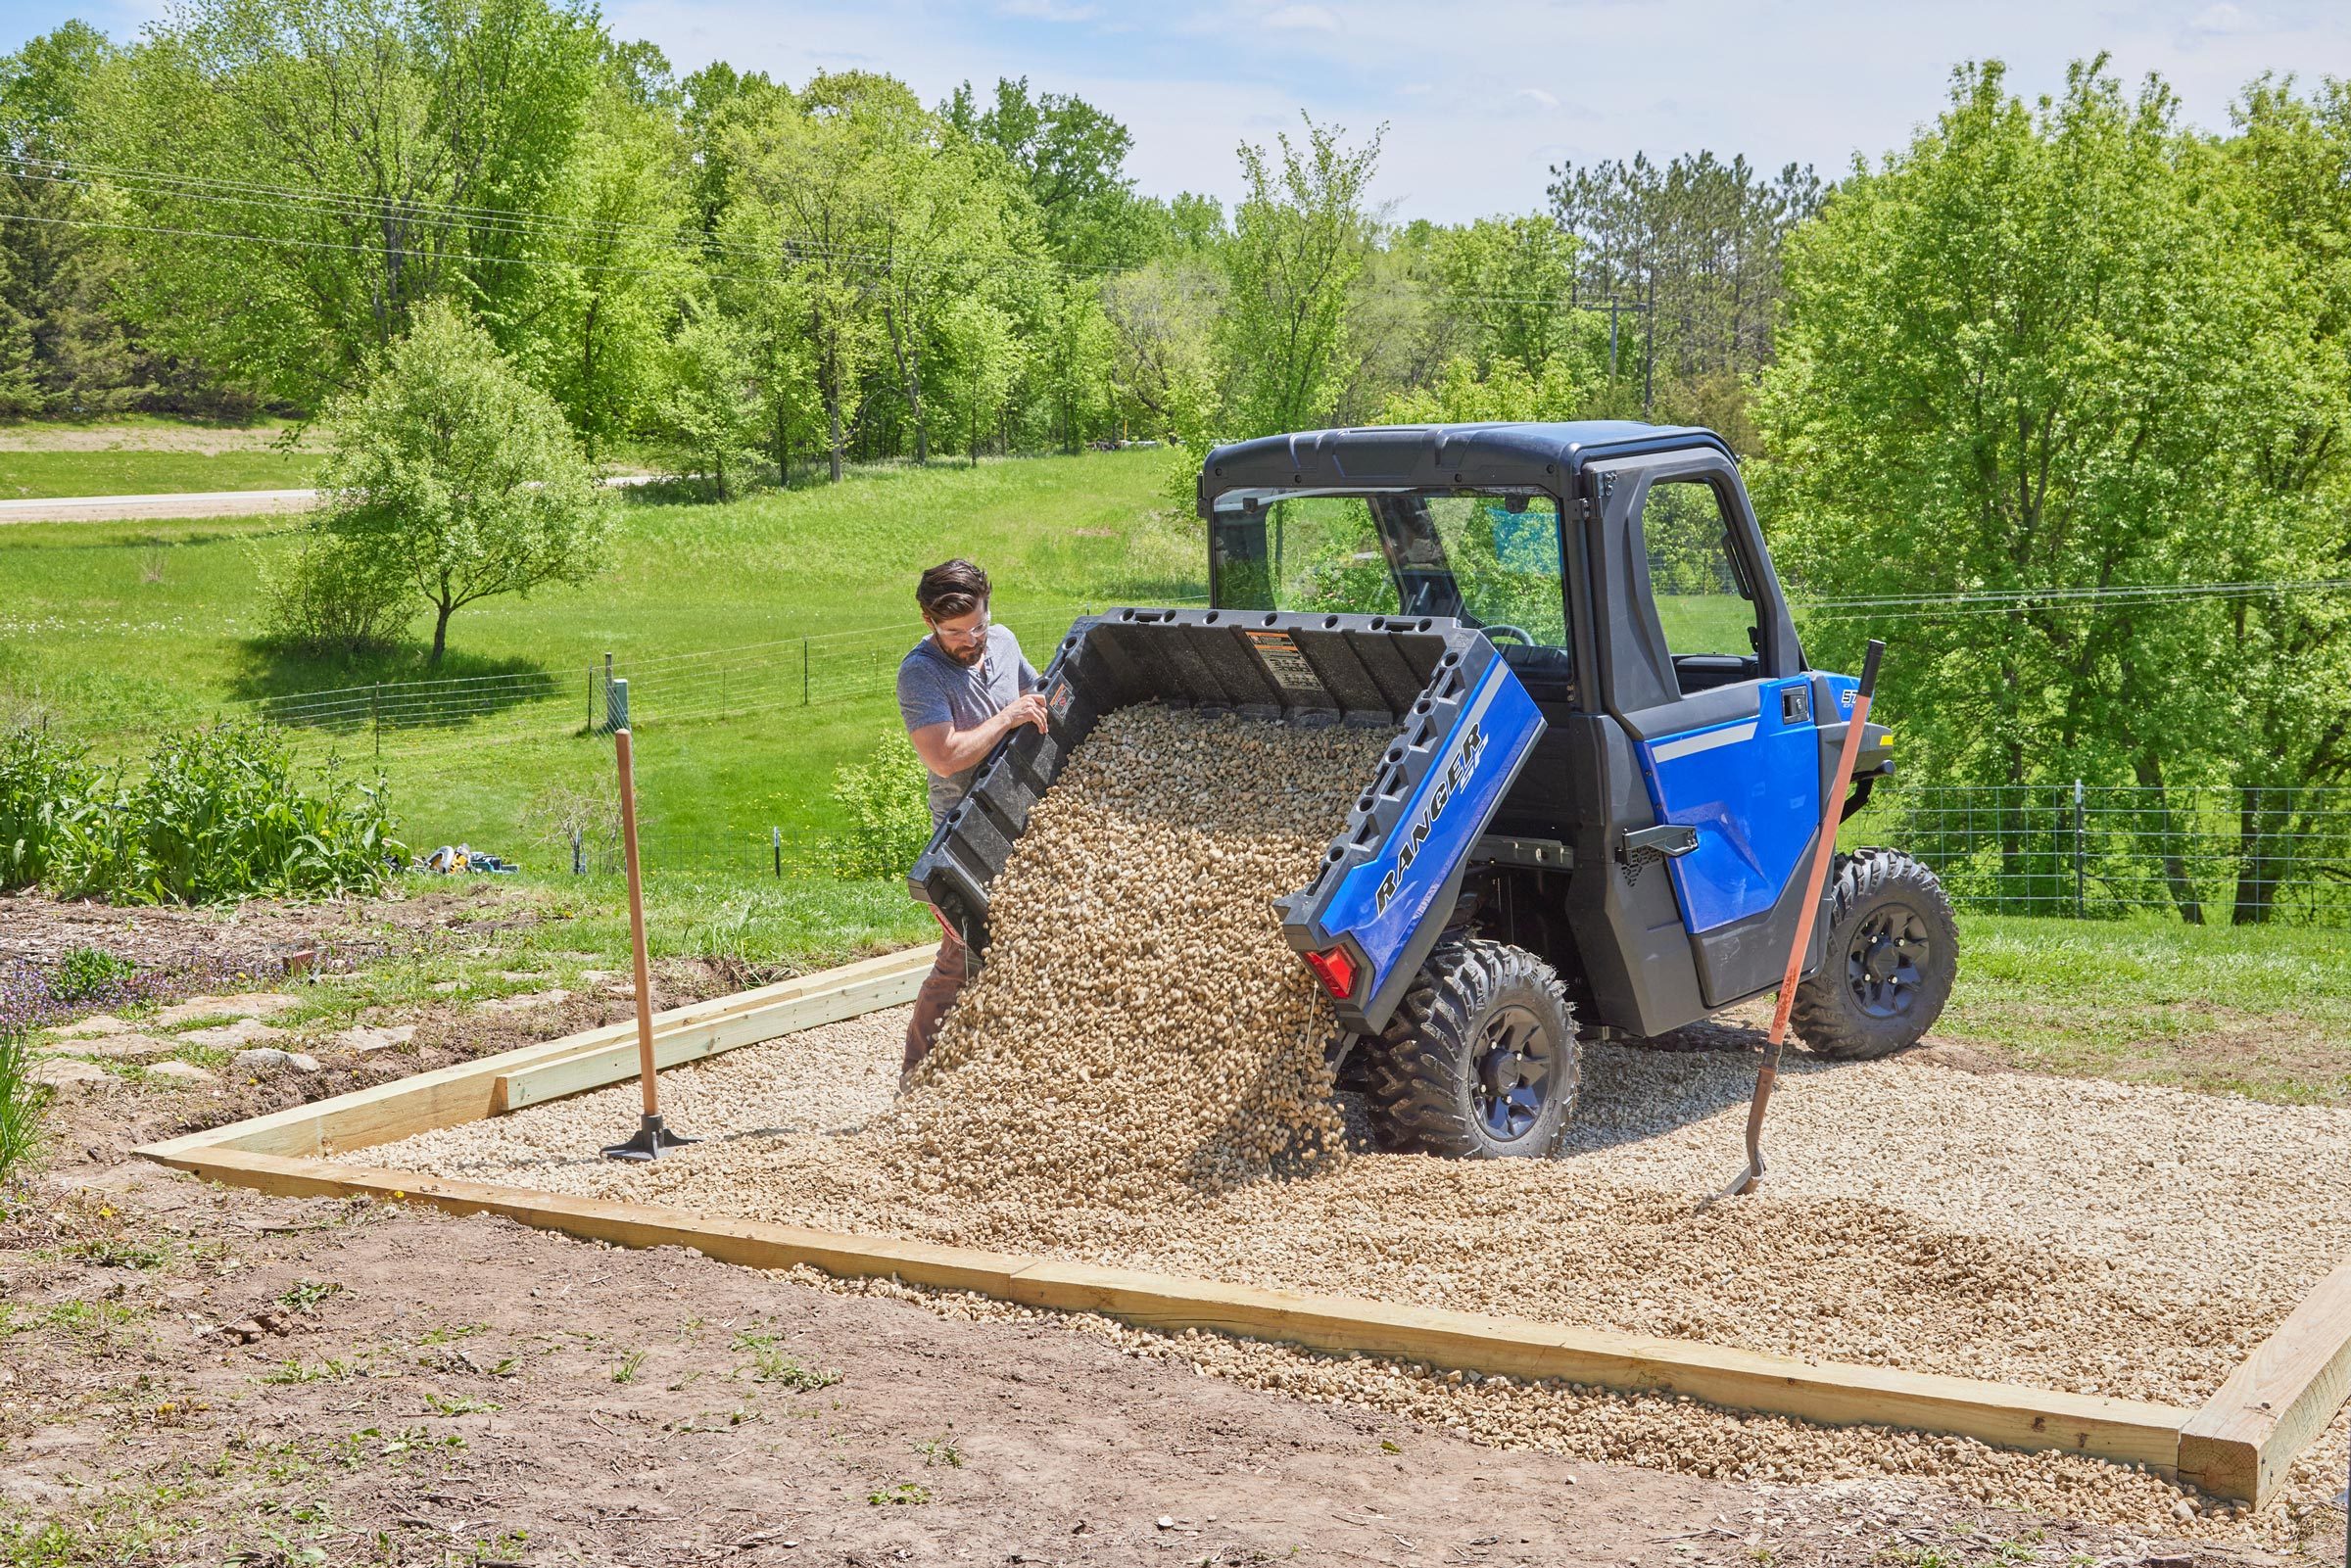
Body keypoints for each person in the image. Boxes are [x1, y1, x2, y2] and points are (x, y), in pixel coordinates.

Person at [895, 557, 1046, 1076]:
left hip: (1030, 819)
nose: (972, 638)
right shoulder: (920, 674)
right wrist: (1007, 718)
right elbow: (944, 755)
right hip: (968, 834)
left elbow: (1037, 699)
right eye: (956, 632)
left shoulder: (1003, 640)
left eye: (978, 624)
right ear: (929, 622)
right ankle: (916, 1078)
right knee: (963, 956)